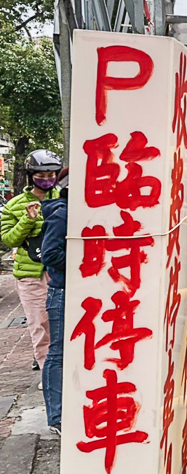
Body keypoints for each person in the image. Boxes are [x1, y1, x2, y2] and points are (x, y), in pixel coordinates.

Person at [0, 149, 61, 376]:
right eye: (40, 176)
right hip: (31, 275)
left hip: (60, 272)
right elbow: (9, 239)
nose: (46, 180)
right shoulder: (14, 205)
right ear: (30, 175)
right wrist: (28, 219)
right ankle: (48, 375)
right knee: (40, 325)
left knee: (62, 323)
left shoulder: (63, 199)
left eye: (50, 175)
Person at [40, 167, 68, 436]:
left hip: (77, 290)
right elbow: (50, 254)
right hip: (61, 291)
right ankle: (56, 415)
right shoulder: (62, 213)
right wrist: (81, 268)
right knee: (57, 353)